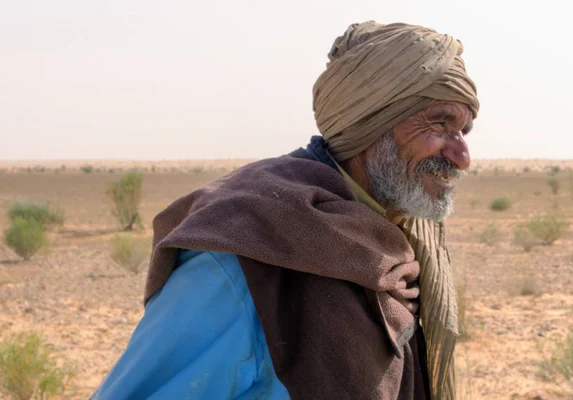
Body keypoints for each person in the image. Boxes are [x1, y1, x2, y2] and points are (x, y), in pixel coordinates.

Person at [91, 21, 479, 400]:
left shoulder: (391, 239)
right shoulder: (245, 255)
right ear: (369, 122)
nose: (462, 157)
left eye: (464, 130)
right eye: (440, 123)